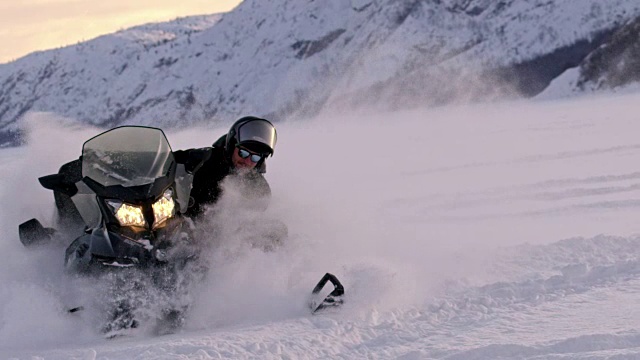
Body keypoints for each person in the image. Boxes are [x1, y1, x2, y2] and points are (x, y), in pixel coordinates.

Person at [174, 116, 278, 218]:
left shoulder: (258, 187)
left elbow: (253, 219)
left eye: (255, 158)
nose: (247, 161)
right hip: (176, 220)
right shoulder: (202, 159)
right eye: (243, 153)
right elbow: (166, 161)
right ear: (232, 146)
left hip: (214, 233)